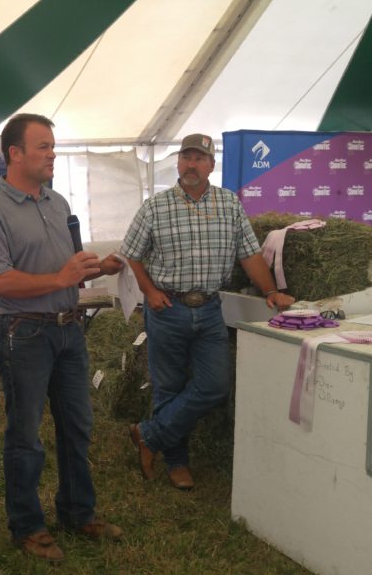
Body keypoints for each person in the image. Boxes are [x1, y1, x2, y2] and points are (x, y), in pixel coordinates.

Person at [0, 113, 125, 562]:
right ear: (14, 153)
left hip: (68, 329)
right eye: (43, 147)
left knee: (78, 426)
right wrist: (61, 275)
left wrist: (99, 266)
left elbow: (67, 268)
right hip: (23, 334)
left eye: (53, 146)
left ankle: (79, 512)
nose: (52, 154)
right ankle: (27, 525)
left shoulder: (56, 202)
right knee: (26, 436)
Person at [120, 133, 294, 491]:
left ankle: (148, 434)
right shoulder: (156, 206)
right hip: (168, 308)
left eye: (199, 158)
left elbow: (250, 255)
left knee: (215, 386)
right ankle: (177, 462)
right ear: (178, 162)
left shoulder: (230, 205)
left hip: (210, 308)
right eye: (186, 157)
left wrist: (273, 291)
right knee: (168, 388)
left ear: (212, 165)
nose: (191, 164)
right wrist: (149, 291)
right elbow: (132, 254)